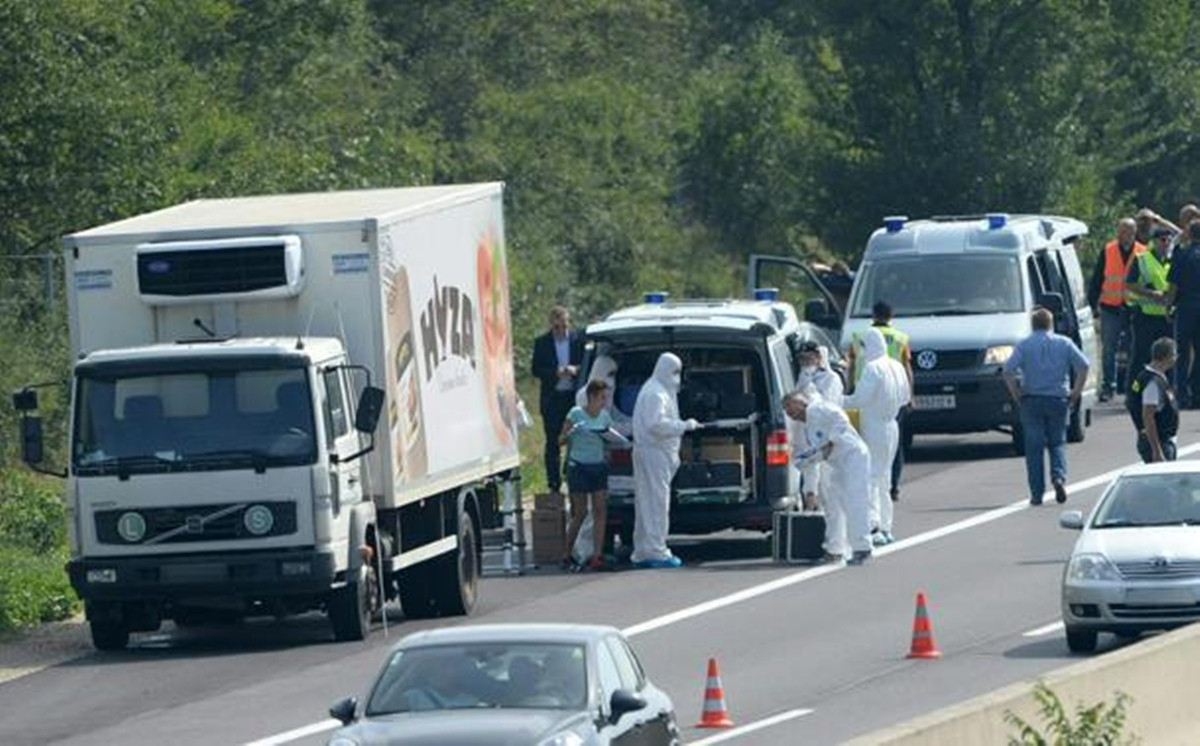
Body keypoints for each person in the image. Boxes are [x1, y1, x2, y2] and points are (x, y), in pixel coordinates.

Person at [1003, 307, 1090, 506]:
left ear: (1032, 325)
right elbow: (1084, 365)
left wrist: (1016, 393)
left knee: (1033, 448)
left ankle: (1036, 493)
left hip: (1031, 398)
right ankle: (1058, 477)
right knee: (1057, 442)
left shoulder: (1024, 345)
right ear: (1051, 324)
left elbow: (1008, 370)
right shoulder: (1064, 343)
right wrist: (1076, 391)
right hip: (1058, 398)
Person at [783, 390, 873, 565]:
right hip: (838, 463)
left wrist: (832, 442)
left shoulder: (819, 408)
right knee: (833, 504)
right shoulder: (807, 425)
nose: (789, 413)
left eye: (790, 406)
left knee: (855, 501)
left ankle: (863, 548)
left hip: (853, 456)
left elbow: (841, 419)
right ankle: (835, 549)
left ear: (801, 402)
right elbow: (817, 452)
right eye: (786, 410)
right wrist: (807, 460)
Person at [630, 352, 698, 568]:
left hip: (655, 453)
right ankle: (656, 550)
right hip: (654, 452)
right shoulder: (656, 393)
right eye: (674, 371)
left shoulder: (659, 389)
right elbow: (656, 425)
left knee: (646, 503)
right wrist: (684, 426)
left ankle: (643, 549)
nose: (677, 376)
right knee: (657, 503)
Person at [843, 328, 910, 545]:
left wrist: (836, 400)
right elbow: (905, 397)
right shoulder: (896, 366)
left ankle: (873, 526)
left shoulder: (873, 368)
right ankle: (886, 526)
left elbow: (859, 399)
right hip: (892, 424)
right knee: (885, 476)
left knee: (870, 475)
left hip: (874, 425)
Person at [846, 301, 913, 502]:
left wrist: (849, 391)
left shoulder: (858, 337)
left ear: (873, 315)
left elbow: (850, 366)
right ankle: (893, 487)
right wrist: (911, 396)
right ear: (891, 316)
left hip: (864, 400)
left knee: (863, 445)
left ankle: (865, 488)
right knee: (894, 445)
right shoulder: (901, 338)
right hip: (893, 397)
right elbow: (907, 367)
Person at [793, 341, 847, 559]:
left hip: (829, 445)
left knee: (832, 498)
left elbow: (825, 409)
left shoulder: (831, 379)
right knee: (812, 496)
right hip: (810, 444)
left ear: (818, 357)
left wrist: (810, 390)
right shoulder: (803, 378)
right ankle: (823, 544)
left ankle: (837, 546)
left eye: (808, 359)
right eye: (802, 360)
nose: (805, 363)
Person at [1087, 218, 1145, 400]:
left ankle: (1131, 387)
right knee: (1108, 349)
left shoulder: (1143, 252)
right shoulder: (1108, 250)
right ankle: (1108, 387)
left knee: (1134, 349)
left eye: (1128, 231)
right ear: (1117, 232)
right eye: (1121, 231)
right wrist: (1091, 306)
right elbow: (1097, 280)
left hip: (1134, 309)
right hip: (1110, 307)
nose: (1124, 235)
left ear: (1135, 233)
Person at [559, 379, 614, 571]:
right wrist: (572, 432)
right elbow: (561, 440)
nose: (604, 402)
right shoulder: (575, 414)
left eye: (605, 398)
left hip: (598, 466)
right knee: (580, 512)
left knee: (600, 510)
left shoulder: (605, 416)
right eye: (601, 398)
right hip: (579, 466)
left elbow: (608, 439)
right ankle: (566, 553)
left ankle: (596, 555)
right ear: (591, 397)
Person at [531, 306, 584, 493]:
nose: (561, 331)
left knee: (575, 438)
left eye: (564, 326)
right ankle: (554, 484)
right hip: (552, 399)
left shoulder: (578, 340)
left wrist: (575, 370)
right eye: (556, 327)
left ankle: (571, 476)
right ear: (551, 326)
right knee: (553, 442)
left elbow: (587, 362)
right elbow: (536, 369)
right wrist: (555, 373)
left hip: (573, 398)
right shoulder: (542, 343)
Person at [1125, 224, 1174, 379]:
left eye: (1169, 240)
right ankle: (1135, 393)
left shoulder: (1173, 261)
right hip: (1145, 318)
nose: (1166, 243)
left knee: (1169, 359)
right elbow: (1130, 284)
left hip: (1167, 317)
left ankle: (1166, 395)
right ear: (1154, 241)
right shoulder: (1142, 259)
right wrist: (1152, 294)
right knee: (1141, 357)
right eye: (1163, 240)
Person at [1127, 337, 1179, 463]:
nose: (1176, 358)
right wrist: (1157, 451)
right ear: (1167, 357)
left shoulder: (1149, 376)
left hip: (1159, 440)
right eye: (1174, 354)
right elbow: (1148, 417)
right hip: (1159, 443)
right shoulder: (1153, 383)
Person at [1165, 220, 1200, 408]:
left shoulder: (1182, 254)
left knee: (1182, 353)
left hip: (1186, 307)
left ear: (1190, 234)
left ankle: (1182, 394)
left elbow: (1173, 286)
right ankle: (1198, 394)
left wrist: (1168, 306)